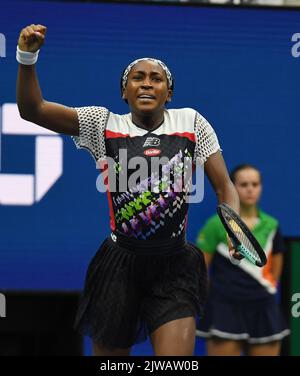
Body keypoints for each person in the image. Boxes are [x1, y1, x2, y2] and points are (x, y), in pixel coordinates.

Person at [16, 24, 240, 356]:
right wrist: (27, 57)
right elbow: (32, 110)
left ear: (169, 93)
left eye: (156, 78)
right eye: (138, 77)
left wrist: (234, 227)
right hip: (118, 266)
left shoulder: (192, 122)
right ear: (124, 91)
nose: (147, 82)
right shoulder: (102, 125)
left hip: (175, 266)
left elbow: (224, 187)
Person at [196, 164, 290, 356]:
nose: (250, 189)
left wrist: (264, 287)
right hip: (225, 309)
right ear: (233, 187)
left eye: (255, 184)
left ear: (261, 187)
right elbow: (200, 268)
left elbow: (276, 270)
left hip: (264, 308)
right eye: (244, 184)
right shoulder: (215, 225)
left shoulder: (272, 225)